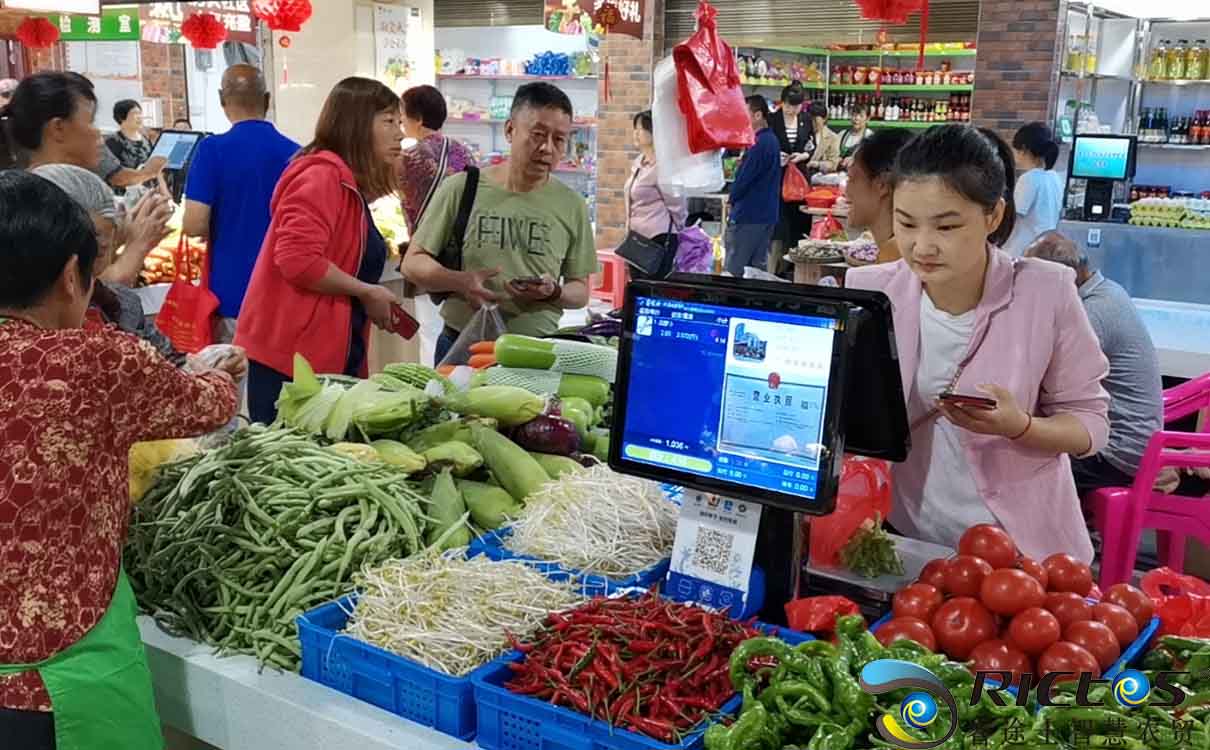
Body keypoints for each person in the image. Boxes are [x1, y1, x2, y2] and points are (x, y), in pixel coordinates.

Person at [0, 170, 240, 750]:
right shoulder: (96, 359)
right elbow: (208, 405)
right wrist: (220, 370)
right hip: (62, 676)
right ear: (69, 276)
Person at [846, 125, 1110, 563]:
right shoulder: (872, 293)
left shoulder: (1045, 292)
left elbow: (1091, 424)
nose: (922, 246)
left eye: (947, 226)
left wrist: (1021, 427)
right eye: (906, 223)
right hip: (906, 541)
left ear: (992, 216)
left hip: (1023, 553)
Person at [235, 76, 403, 424]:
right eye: (388, 121)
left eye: (399, 122)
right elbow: (297, 260)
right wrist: (366, 292)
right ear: (355, 124)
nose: (400, 133)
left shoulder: (345, 183)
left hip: (324, 355)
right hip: (292, 362)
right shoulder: (321, 176)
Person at [403, 82, 598, 365]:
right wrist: (461, 281)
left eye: (559, 139)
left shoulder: (572, 205)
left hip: (534, 351)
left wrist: (553, 292)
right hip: (462, 345)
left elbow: (580, 292)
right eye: (538, 134)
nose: (547, 148)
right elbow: (413, 262)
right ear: (510, 130)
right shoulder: (461, 188)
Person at [0, 72, 174, 285]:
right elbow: (77, 294)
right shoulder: (42, 201)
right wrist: (137, 245)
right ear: (58, 128)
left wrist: (124, 235)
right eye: (90, 121)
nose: (98, 133)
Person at [1024, 231, 1164, 495]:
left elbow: (1040, 373)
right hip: (1136, 442)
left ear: (1062, 279)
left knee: (1020, 471)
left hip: (1116, 453)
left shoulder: (1092, 313)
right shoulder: (1108, 290)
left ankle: (1063, 534)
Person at [183, 64, 299, 344]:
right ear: (268, 100)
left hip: (232, 293)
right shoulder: (297, 153)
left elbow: (195, 224)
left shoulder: (212, 150)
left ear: (222, 99)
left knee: (236, 382)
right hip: (287, 292)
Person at [31, 163, 187, 367]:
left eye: (102, 245)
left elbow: (174, 365)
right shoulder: (29, 334)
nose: (88, 264)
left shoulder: (120, 305)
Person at [397, 84, 474, 234]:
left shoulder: (407, 158)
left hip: (424, 242)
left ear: (418, 119)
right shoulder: (463, 150)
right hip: (460, 242)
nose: (401, 121)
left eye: (403, 115)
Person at [723, 96, 782, 277]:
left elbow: (745, 179)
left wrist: (731, 198)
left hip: (749, 215)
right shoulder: (770, 140)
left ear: (757, 115)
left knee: (736, 269)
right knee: (756, 270)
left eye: (744, 113)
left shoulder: (760, 143)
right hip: (765, 214)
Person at [843, 128, 916, 263]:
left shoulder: (895, 256)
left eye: (851, 178)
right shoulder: (900, 250)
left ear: (882, 185)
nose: (845, 191)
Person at [624, 110, 688, 262]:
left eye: (640, 129)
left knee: (654, 284)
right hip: (637, 236)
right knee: (638, 284)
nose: (635, 133)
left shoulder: (663, 165)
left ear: (654, 132)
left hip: (657, 238)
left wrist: (680, 226)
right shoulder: (639, 163)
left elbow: (676, 201)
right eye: (635, 129)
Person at [1001, 121, 1063, 256]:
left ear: (1024, 149)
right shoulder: (1054, 177)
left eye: (1016, 150)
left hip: (1021, 251)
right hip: (1045, 250)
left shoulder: (1029, 179)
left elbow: (1013, 216)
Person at [767, 84, 813, 268]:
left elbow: (811, 145)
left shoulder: (806, 119)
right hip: (778, 178)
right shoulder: (772, 120)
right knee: (779, 226)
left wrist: (802, 156)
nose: (793, 110)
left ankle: (794, 268)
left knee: (799, 224)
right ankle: (775, 268)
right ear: (782, 102)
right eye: (789, 106)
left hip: (800, 178)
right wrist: (776, 157)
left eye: (796, 106)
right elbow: (765, 143)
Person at [105, 99, 154, 193]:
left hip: (146, 193)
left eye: (140, 113)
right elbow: (111, 173)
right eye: (134, 114)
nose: (139, 117)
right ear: (121, 117)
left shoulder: (145, 140)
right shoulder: (112, 141)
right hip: (122, 195)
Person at [805, 101, 842, 173]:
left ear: (824, 119)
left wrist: (818, 164)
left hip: (820, 177)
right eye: (810, 120)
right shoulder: (803, 133)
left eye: (815, 121)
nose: (812, 123)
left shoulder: (832, 138)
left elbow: (833, 163)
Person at [838, 103, 871, 170]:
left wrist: (855, 160)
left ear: (867, 119)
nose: (856, 118)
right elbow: (833, 155)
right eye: (854, 115)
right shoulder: (842, 134)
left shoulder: (870, 137)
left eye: (861, 116)